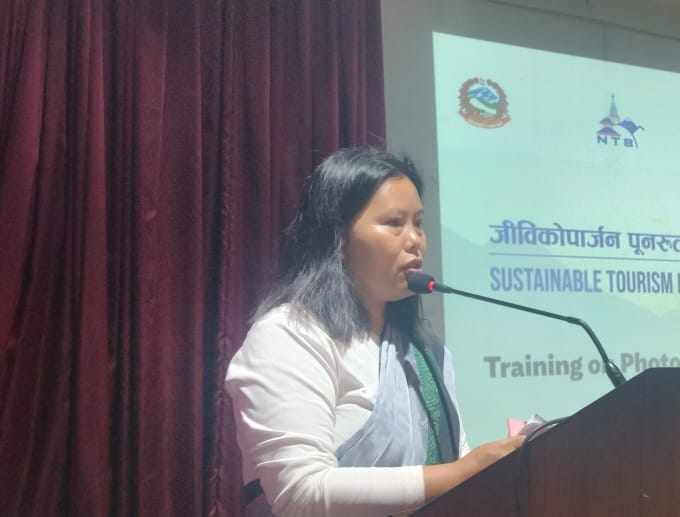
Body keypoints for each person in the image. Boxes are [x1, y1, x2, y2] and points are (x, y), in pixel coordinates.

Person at [225, 147, 524, 517]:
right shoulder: (289, 334)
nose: (415, 240)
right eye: (394, 223)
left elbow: (455, 467)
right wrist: (460, 473)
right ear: (338, 237)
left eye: (418, 223)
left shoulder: (424, 349)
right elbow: (299, 492)